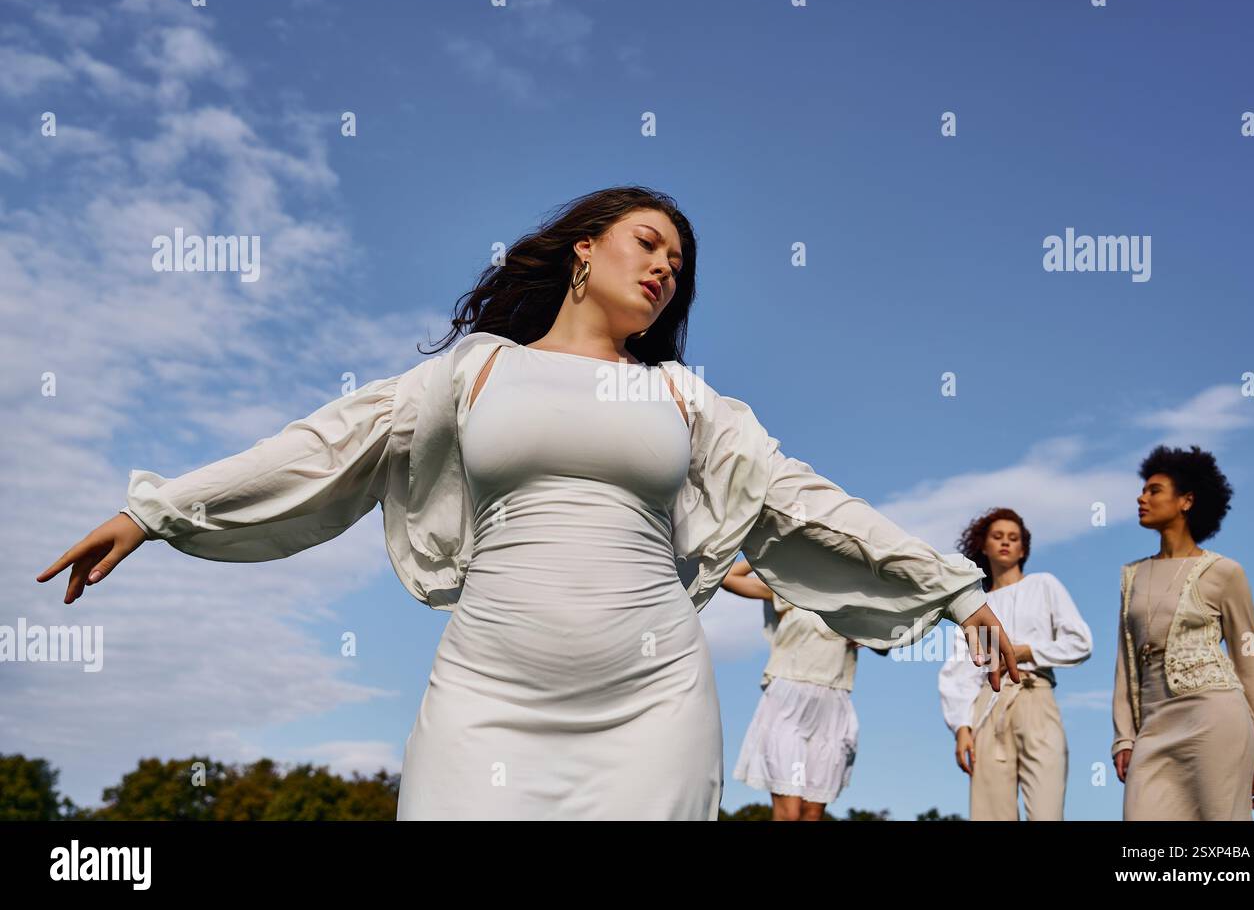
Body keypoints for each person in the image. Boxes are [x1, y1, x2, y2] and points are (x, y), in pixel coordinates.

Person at [36, 186, 1019, 820]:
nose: (665, 266)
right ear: (583, 250)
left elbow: (803, 501)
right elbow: (326, 444)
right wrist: (159, 510)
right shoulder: (473, 374)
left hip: (651, 703)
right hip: (486, 697)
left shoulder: (685, 398)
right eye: (648, 243)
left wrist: (954, 590)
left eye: (677, 264)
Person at [1112, 445, 1254, 819]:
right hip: (1153, 726)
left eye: (1154, 490)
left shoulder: (1226, 573)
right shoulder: (1131, 576)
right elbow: (1125, 665)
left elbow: (1248, 660)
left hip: (1214, 717)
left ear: (1186, 501)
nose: (1142, 497)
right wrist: (1124, 735)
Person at [938, 508, 1092, 820]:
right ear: (983, 545)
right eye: (997, 537)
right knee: (990, 813)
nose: (1006, 543)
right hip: (987, 706)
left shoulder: (1044, 585)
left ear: (1023, 548)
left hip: (1035, 695)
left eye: (1014, 538)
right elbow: (960, 668)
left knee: (1047, 811)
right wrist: (962, 728)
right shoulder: (973, 604)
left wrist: (1024, 652)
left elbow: (1080, 642)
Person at [722, 557, 867, 820]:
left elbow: (888, 641)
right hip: (788, 702)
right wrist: (765, 549)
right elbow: (729, 579)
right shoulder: (789, 589)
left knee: (812, 813)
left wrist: (871, 634)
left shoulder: (854, 601)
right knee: (789, 813)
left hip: (833, 704)